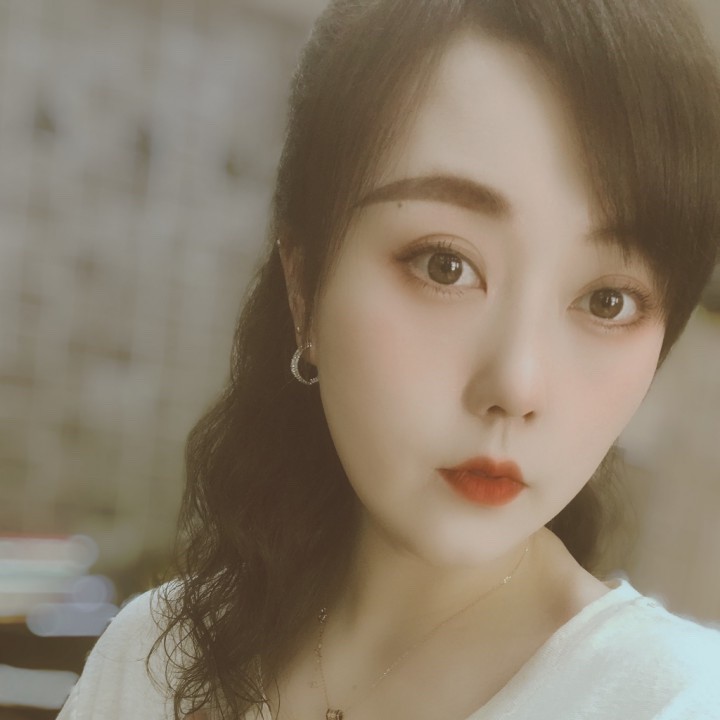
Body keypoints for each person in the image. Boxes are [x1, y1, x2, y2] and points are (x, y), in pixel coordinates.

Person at [58, 1, 720, 718]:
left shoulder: (674, 700)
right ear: (304, 288)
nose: (517, 384)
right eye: (445, 265)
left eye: (607, 301)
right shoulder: (152, 658)